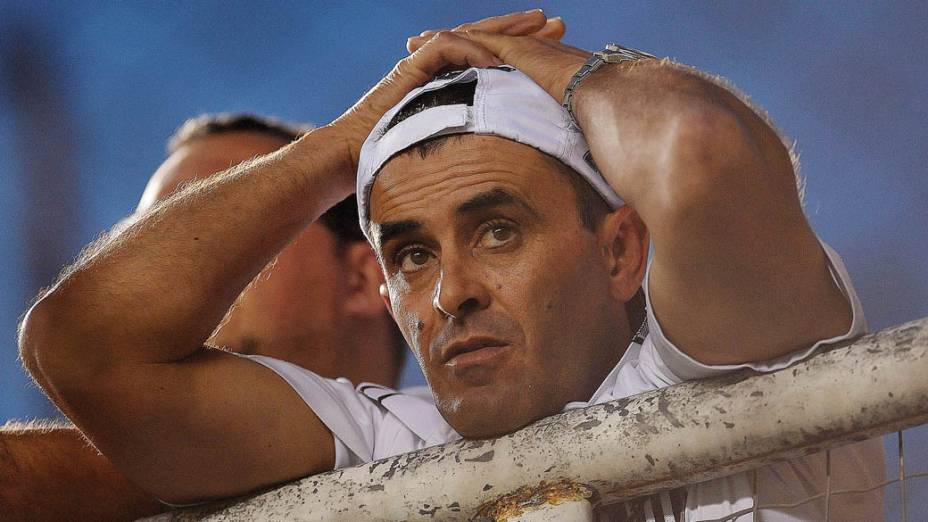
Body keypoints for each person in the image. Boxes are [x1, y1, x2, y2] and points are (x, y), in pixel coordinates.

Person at [18, 10, 882, 521]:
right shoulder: (395, 439)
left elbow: (699, 154)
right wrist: (338, 148)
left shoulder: (732, 357)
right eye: (413, 254)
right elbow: (82, 346)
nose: (452, 292)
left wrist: (554, 67)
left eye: (498, 231)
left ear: (621, 250)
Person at [2, 113, 405, 521]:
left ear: (361, 278)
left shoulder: (440, 437)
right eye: (146, 238)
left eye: (221, 228)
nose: (163, 276)